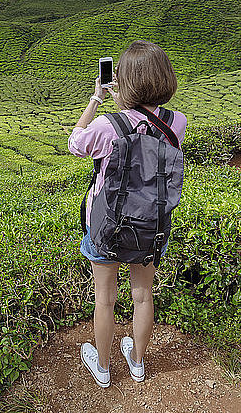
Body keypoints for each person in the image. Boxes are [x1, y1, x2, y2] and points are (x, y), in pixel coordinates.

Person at [67, 40, 187, 388]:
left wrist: (97, 99)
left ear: (124, 81)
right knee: (143, 296)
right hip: (151, 223)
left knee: (104, 300)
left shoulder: (108, 126)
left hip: (107, 225)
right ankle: (136, 363)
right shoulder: (175, 122)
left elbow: (75, 143)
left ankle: (102, 367)